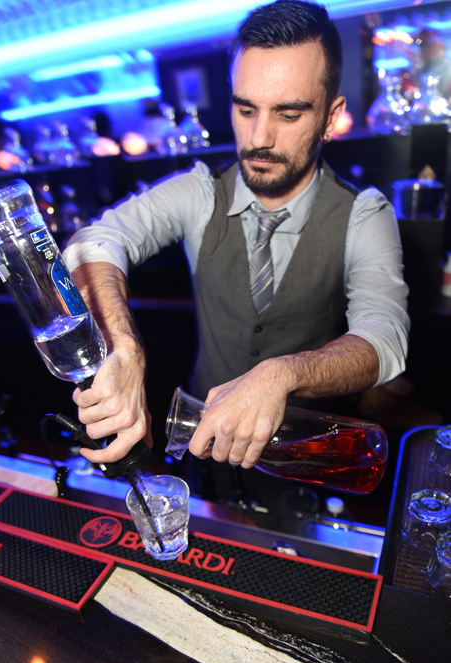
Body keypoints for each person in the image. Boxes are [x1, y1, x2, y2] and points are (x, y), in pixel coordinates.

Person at [62, 0, 409, 498]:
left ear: (331, 116)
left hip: (304, 455)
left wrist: (284, 374)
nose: (259, 137)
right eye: (246, 109)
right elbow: (93, 241)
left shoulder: (364, 213)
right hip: (203, 449)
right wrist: (123, 347)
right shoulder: (199, 191)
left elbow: (385, 338)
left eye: (289, 114)